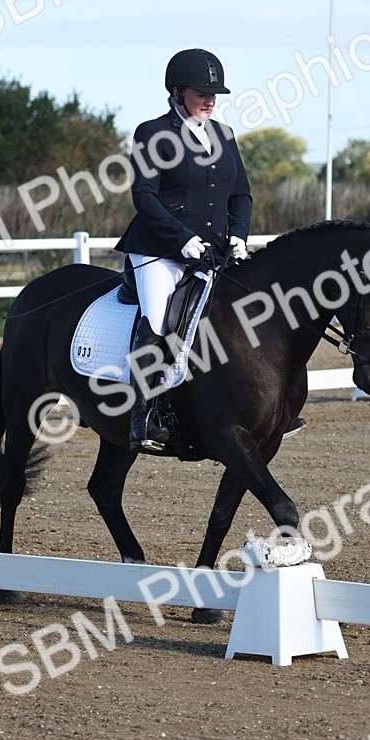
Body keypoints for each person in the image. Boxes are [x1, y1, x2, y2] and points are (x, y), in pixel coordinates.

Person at [115, 48, 252, 451]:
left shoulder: (224, 136)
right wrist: (183, 240)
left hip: (213, 252)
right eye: (200, 93)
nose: (210, 100)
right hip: (160, 250)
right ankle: (145, 415)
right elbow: (144, 195)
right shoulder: (152, 132)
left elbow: (241, 194)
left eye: (214, 94)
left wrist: (239, 236)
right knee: (160, 319)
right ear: (176, 92)